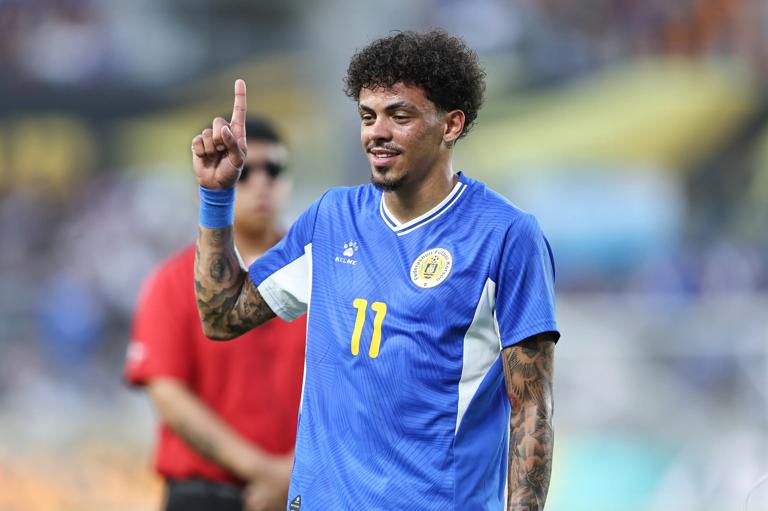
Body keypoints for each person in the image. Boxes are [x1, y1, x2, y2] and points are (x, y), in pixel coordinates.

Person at [192, 30, 560, 511]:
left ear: (451, 125)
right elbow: (221, 317)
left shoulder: (506, 236)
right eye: (368, 117)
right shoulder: (330, 219)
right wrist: (216, 197)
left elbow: (531, 406)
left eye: (398, 116)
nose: (376, 133)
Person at [125, 117, 306, 511]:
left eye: (274, 170)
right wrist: (266, 472)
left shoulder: (322, 269)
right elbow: (168, 393)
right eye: (245, 173)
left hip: (306, 488)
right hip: (208, 494)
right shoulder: (171, 282)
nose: (261, 183)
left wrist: (295, 471)